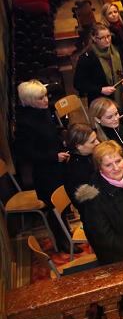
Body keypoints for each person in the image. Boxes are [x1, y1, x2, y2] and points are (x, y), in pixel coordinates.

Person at [14, 80, 72, 250]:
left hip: (58, 167)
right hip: (45, 173)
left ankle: (67, 234)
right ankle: (63, 242)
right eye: (40, 98)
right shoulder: (25, 124)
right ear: (30, 101)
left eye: (46, 96)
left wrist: (62, 136)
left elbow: (51, 134)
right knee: (55, 208)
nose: (46, 100)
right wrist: (54, 157)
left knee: (64, 205)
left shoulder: (44, 111)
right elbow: (26, 154)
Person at [73, 24, 123, 107]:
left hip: (120, 99)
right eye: (102, 38)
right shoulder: (87, 58)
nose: (107, 40)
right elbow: (78, 84)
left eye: (109, 36)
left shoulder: (116, 51)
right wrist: (100, 90)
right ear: (94, 38)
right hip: (100, 102)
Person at [89, 97, 123, 163]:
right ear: (98, 119)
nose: (116, 119)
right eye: (109, 117)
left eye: (116, 113)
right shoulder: (98, 141)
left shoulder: (121, 127)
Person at [64, 123, 100, 212]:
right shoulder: (76, 170)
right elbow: (91, 203)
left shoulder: (88, 156)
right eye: (93, 141)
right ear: (79, 146)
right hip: (94, 214)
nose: (98, 142)